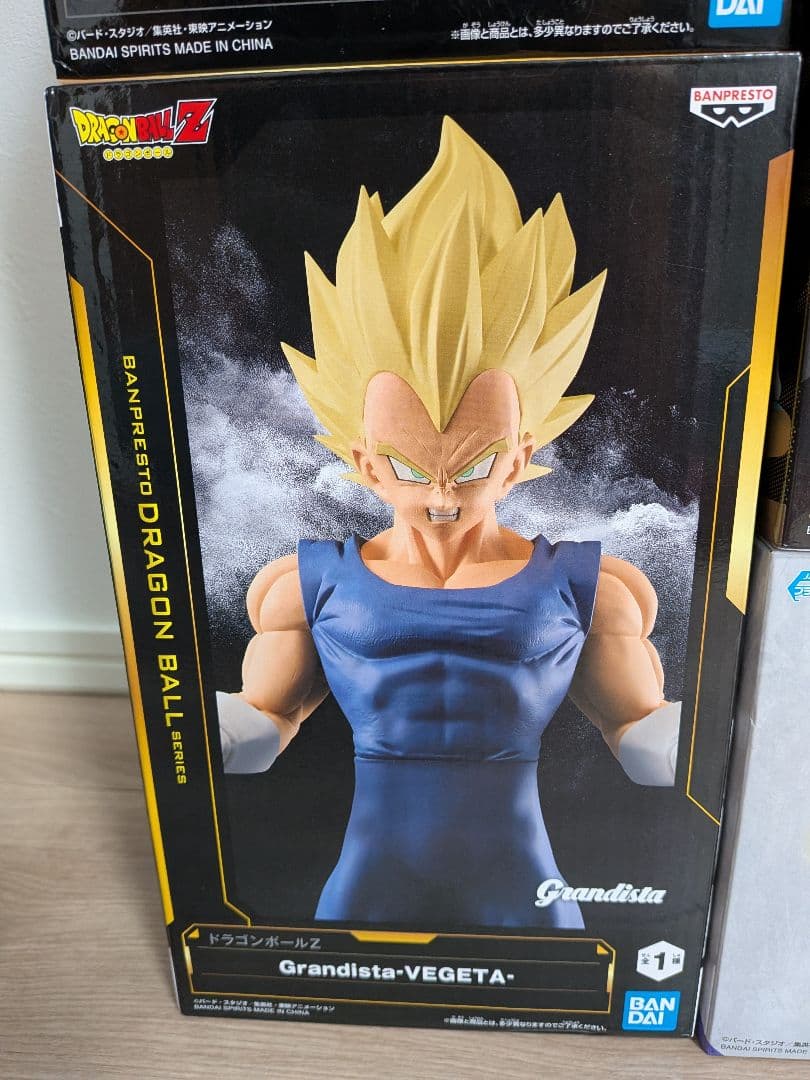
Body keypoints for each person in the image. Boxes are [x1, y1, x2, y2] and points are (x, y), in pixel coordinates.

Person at [216, 117, 680, 929]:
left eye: (470, 466)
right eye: (407, 466)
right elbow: (259, 733)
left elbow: (644, 744)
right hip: (373, 874)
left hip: (521, 880)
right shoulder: (304, 586)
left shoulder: (591, 590)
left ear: (519, 457)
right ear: (363, 462)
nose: (439, 493)